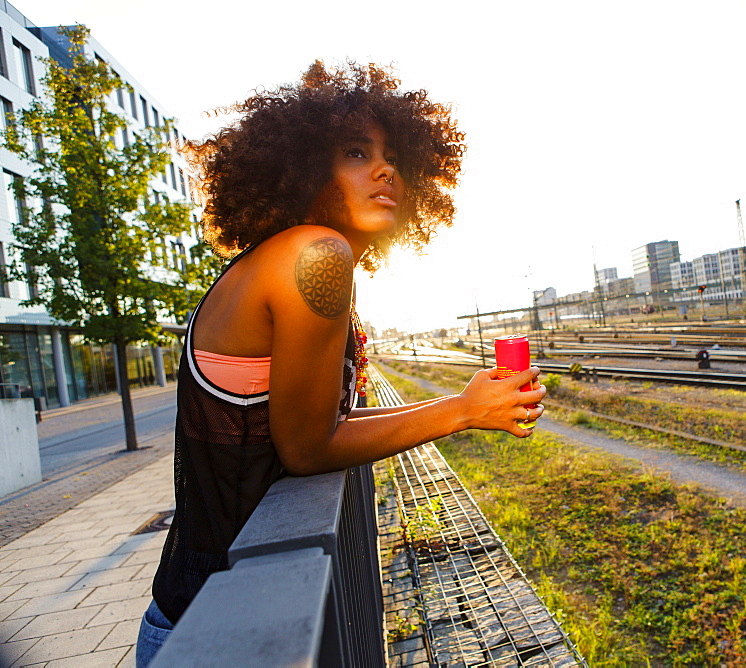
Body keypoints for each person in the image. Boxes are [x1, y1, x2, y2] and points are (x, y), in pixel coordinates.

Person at [136, 61, 545, 666]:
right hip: (219, 636)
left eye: (393, 158)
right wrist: (460, 413)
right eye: (356, 152)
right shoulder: (315, 254)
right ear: (303, 169)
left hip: (215, 618)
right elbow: (307, 448)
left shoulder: (298, 260)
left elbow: (316, 428)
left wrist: (468, 402)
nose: (385, 170)